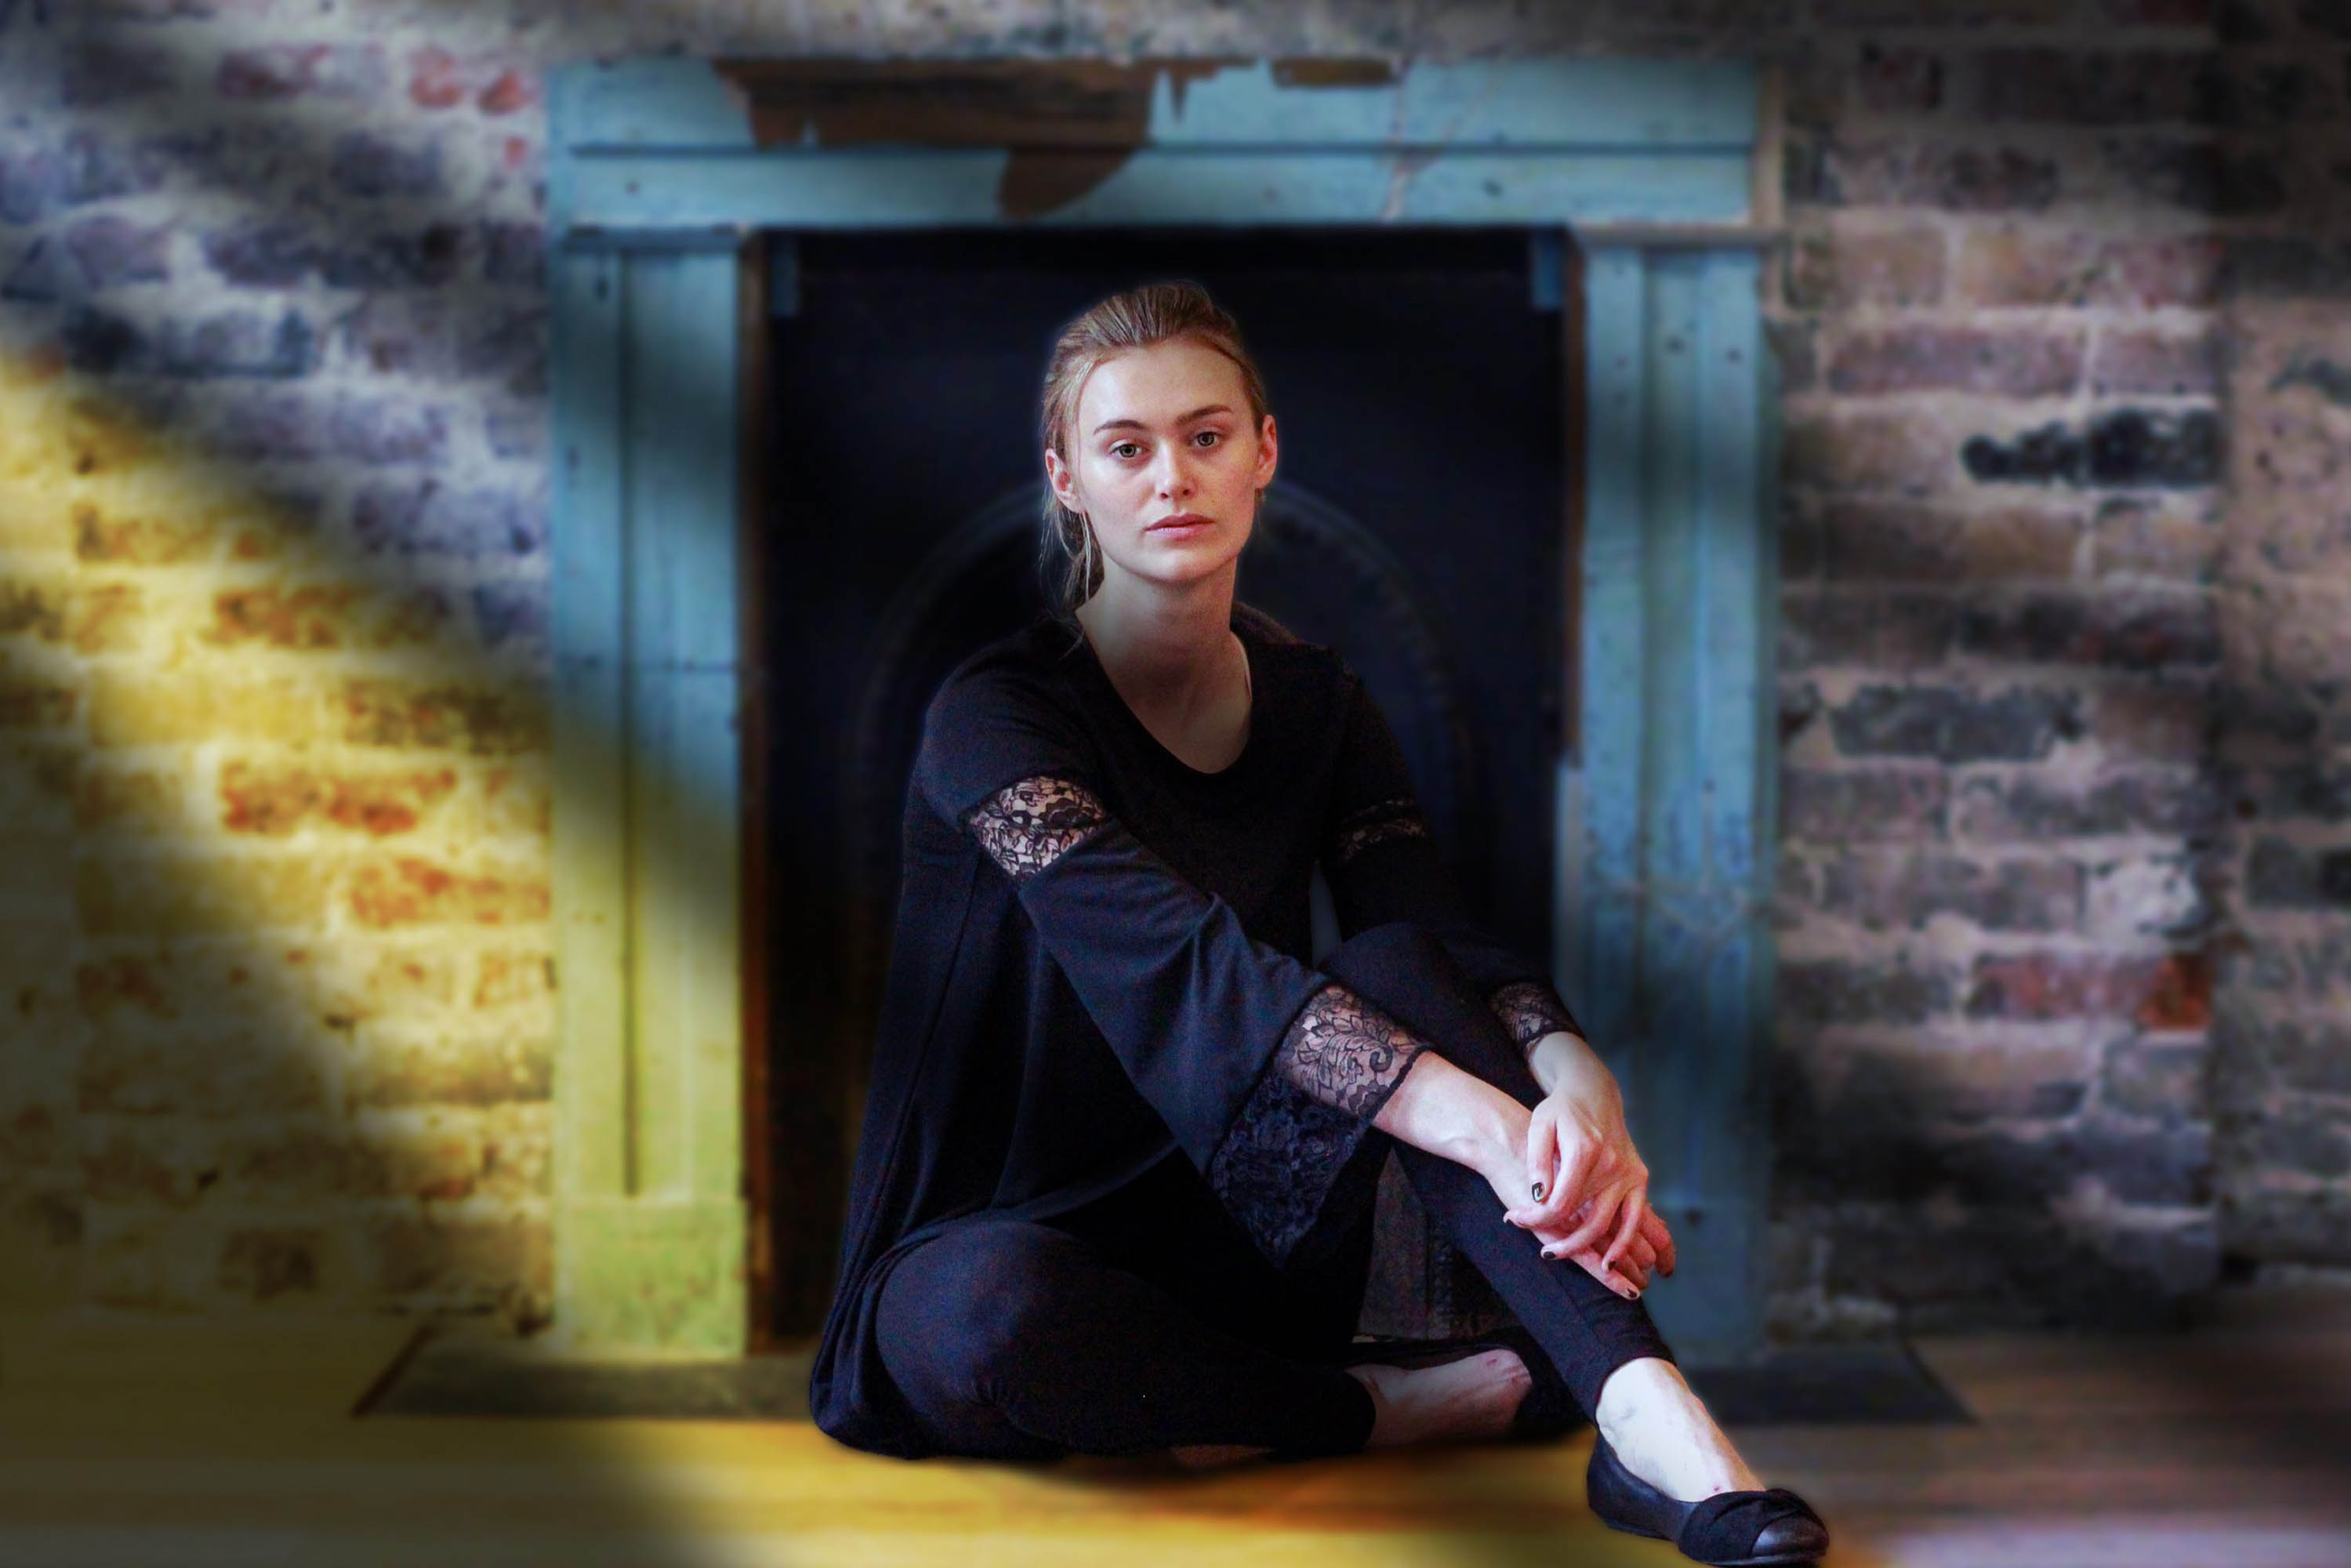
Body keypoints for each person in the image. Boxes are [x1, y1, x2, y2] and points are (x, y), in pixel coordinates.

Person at [808, 281, 1829, 1568]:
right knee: (989, 1322)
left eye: (1206, 436)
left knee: (1396, 963)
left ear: (1263, 453)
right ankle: (1362, 1410)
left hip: (1244, 1223)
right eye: (1125, 448)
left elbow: (1430, 939)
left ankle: (1661, 1433)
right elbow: (1181, 966)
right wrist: (1490, 1129)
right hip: (995, 1243)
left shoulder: (1315, 703)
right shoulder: (995, 715)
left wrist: (1575, 1078)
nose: (1172, 477)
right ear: (1068, 481)